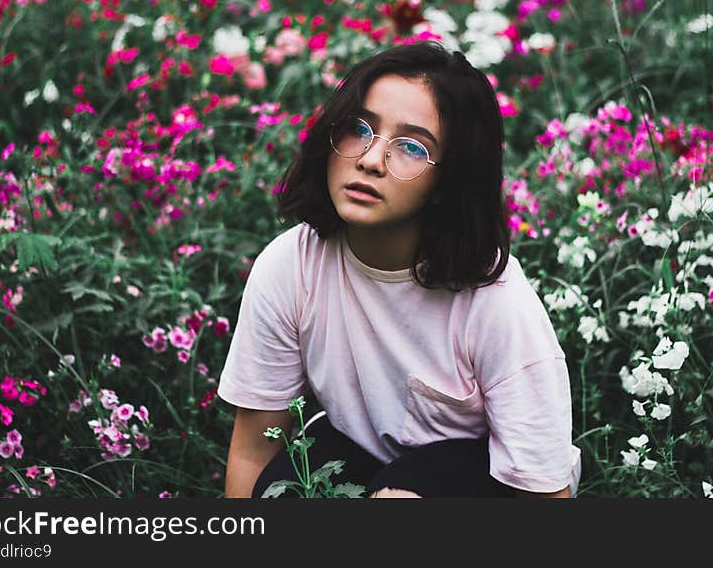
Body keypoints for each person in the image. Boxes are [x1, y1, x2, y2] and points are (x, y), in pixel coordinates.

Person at [218, 41, 581, 498]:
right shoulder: (292, 265)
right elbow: (254, 451)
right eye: (358, 128)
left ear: (449, 181)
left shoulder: (496, 302)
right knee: (283, 487)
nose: (370, 159)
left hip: (486, 480)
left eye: (411, 146)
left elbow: (545, 497)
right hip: (358, 458)